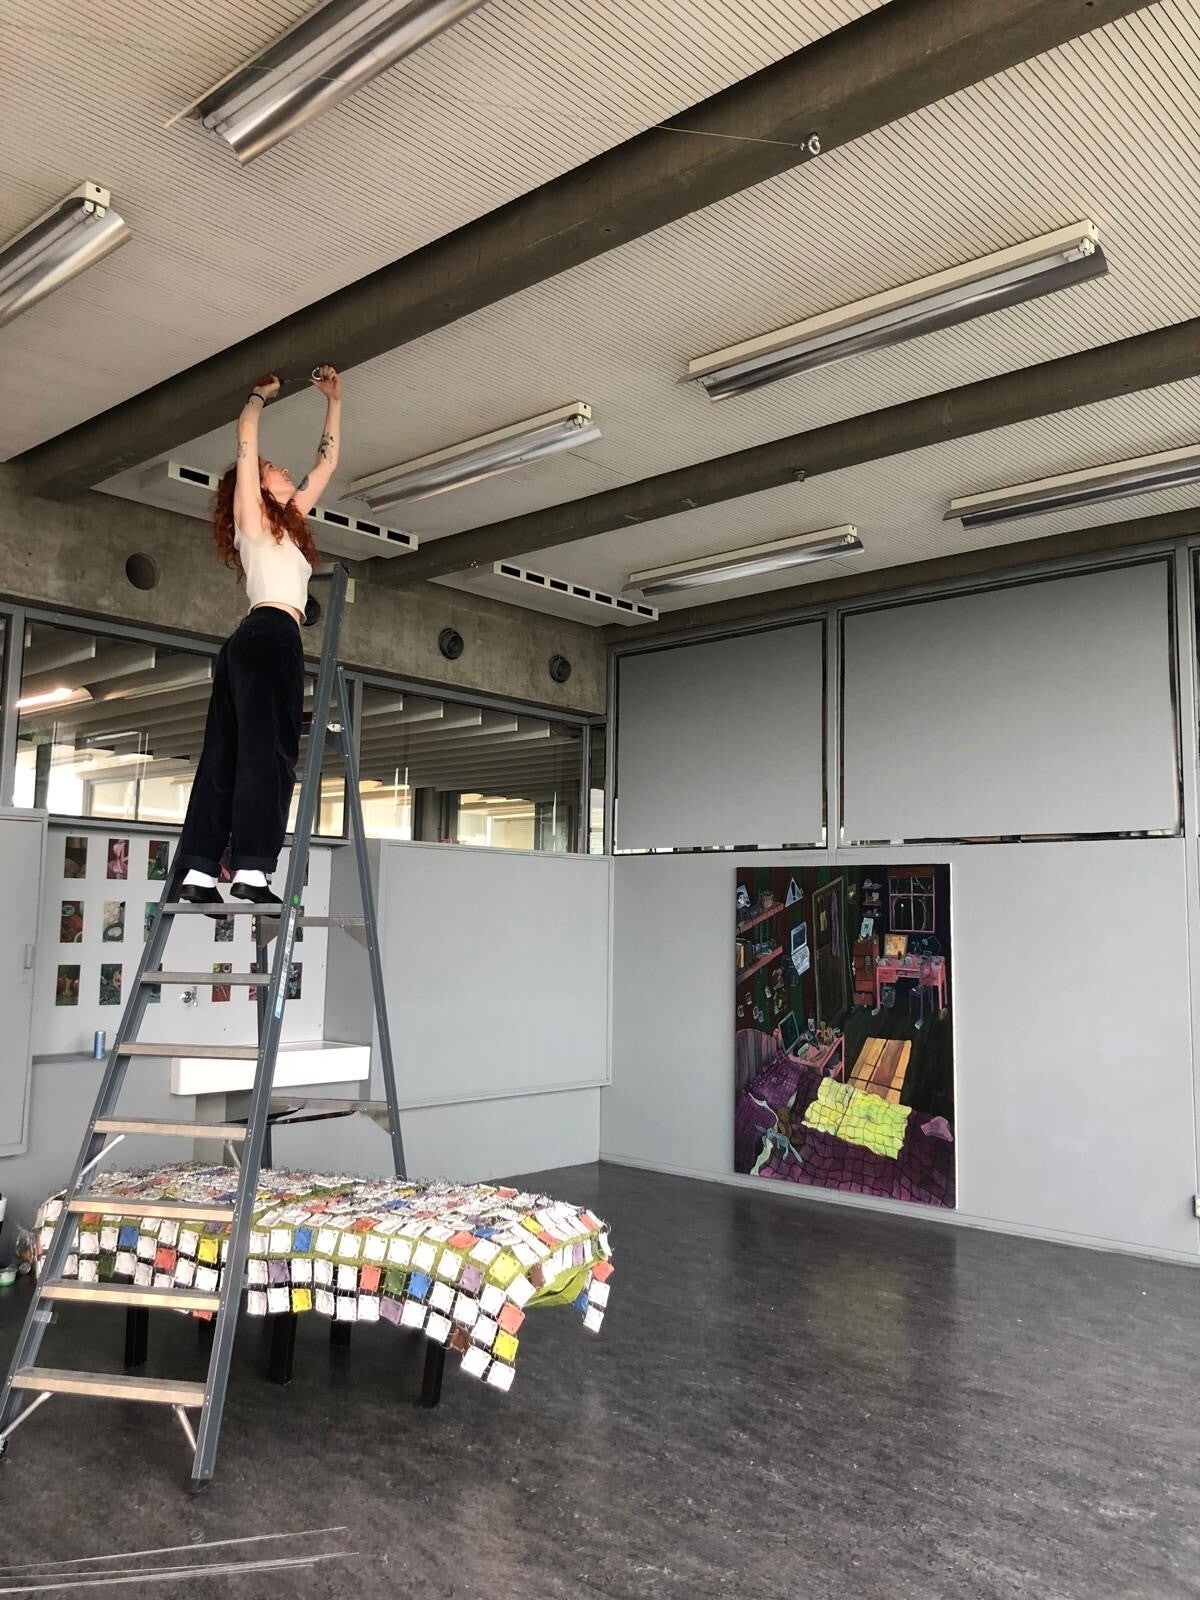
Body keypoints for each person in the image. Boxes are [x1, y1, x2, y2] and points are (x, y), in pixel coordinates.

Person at [176, 365, 342, 908]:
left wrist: (333, 401)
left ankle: (200, 874)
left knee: (224, 754)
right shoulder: (251, 516)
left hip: (249, 642)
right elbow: (245, 437)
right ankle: (250, 870)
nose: (282, 468)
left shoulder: (286, 524)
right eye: (272, 468)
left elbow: (326, 463)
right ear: (255, 487)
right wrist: (258, 396)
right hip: (272, 635)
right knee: (267, 756)